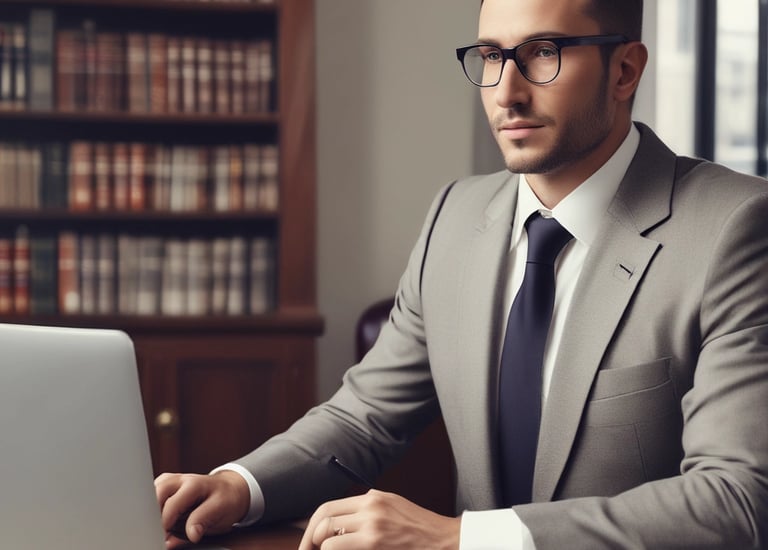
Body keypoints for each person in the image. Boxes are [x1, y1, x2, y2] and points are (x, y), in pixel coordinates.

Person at [155, 0, 768, 548]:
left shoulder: (734, 228)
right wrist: (239, 485)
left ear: (625, 70)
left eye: (542, 54)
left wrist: (465, 538)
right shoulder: (455, 215)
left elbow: (737, 499)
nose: (507, 92)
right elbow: (363, 416)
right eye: (490, 57)